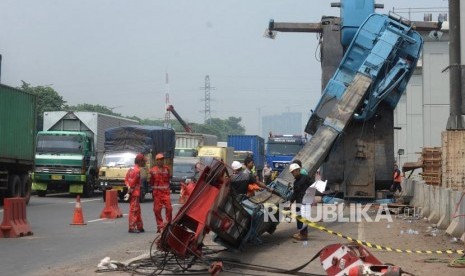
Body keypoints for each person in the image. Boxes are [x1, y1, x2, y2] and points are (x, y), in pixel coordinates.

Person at [288, 163, 313, 241]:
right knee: (299, 218)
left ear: (297, 170)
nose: (293, 174)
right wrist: (291, 202)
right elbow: (295, 193)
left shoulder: (306, 178)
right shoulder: (295, 182)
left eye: (293, 172)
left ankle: (304, 235)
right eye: (292, 173)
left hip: (306, 202)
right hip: (299, 202)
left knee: (304, 218)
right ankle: (300, 233)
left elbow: (313, 187)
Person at [149, 153, 172, 233]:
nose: (161, 161)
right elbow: (151, 182)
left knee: (169, 208)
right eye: (159, 160)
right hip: (157, 194)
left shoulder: (167, 169)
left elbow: (168, 179)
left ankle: (168, 225)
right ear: (156, 161)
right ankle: (160, 226)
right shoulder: (152, 170)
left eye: (162, 159)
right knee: (157, 210)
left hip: (165, 193)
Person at [125, 153, 146, 233]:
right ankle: (132, 227)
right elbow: (133, 183)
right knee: (134, 210)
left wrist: (128, 189)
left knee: (137, 210)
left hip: (132, 192)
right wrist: (130, 191)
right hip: (135, 193)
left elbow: (126, 180)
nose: (144, 163)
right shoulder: (137, 171)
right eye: (143, 161)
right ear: (140, 161)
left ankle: (140, 226)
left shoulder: (130, 169)